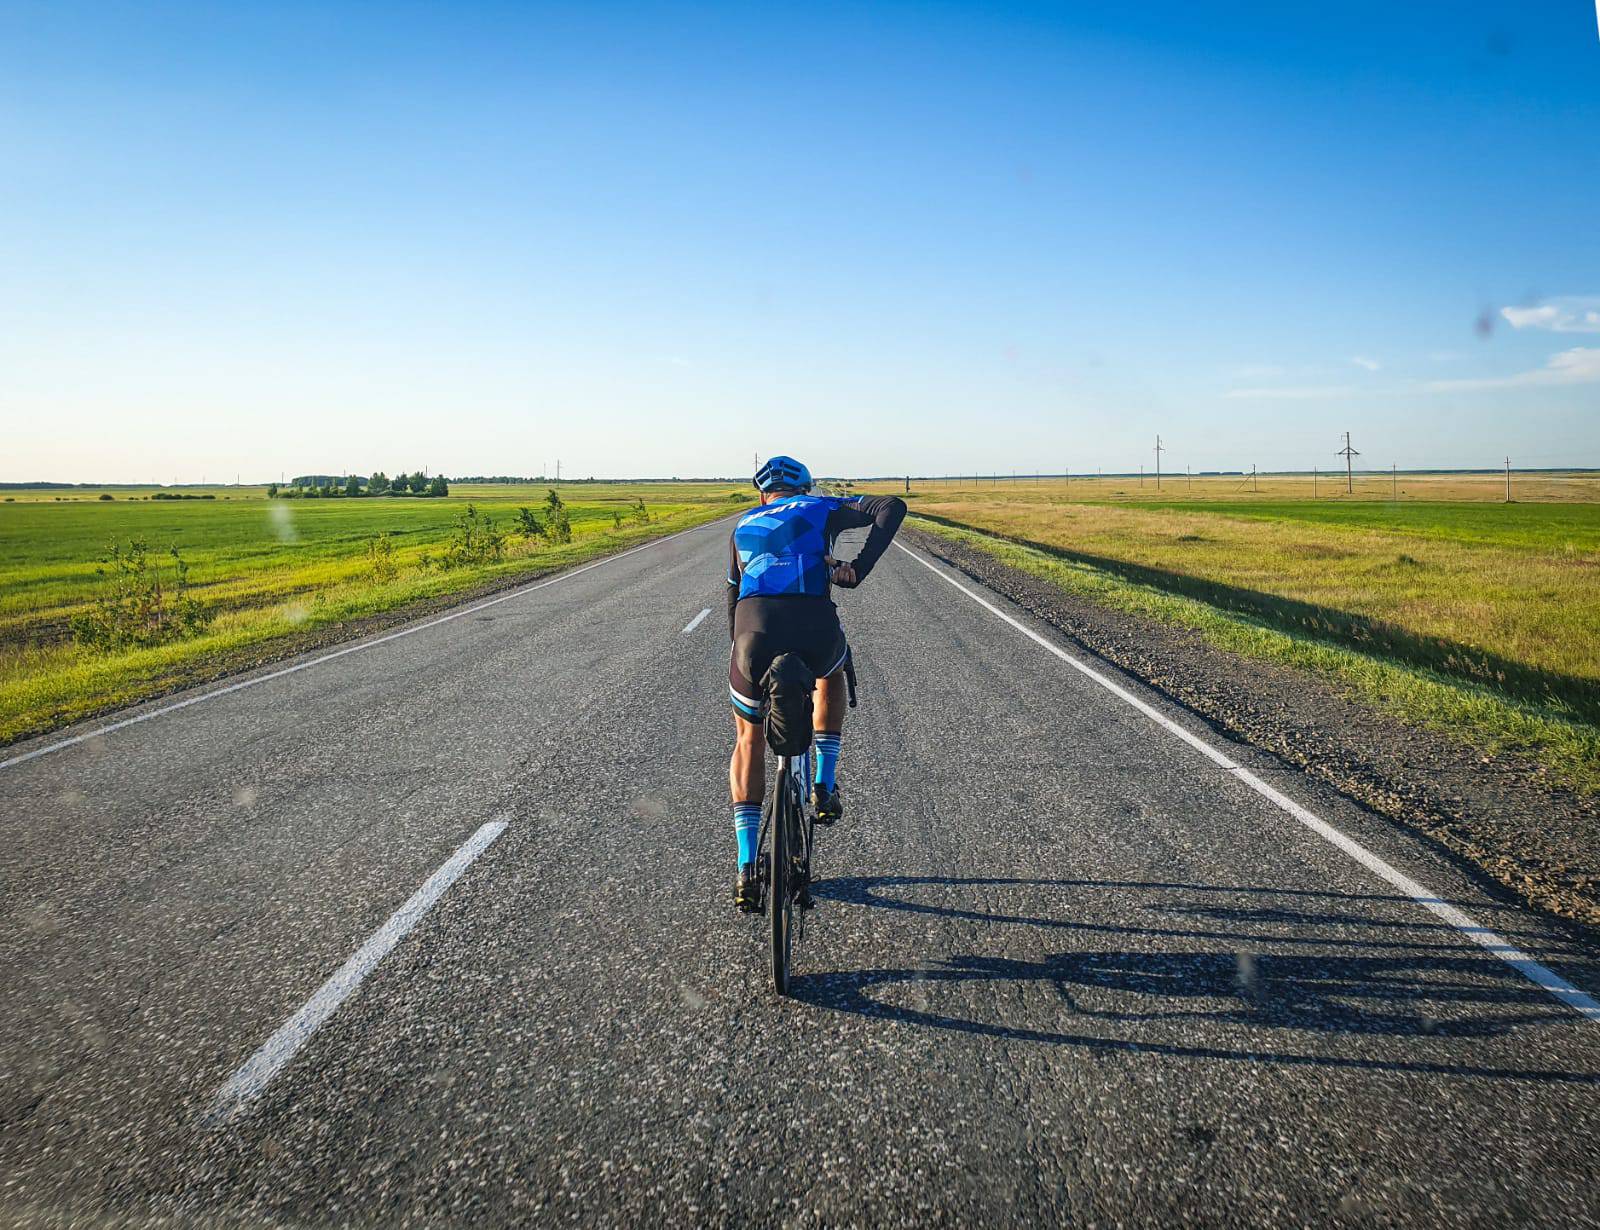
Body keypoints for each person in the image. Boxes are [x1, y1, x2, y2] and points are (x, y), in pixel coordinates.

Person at [726, 455, 906, 912]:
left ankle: (747, 865)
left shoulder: (743, 523)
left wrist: (746, 651)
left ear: (763, 495)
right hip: (813, 627)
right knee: (832, 670)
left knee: (749, 737)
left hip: (754, 631)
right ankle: (823, 782)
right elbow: (891, 506)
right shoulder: (823, 505)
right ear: (805, 487)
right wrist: (855, 569)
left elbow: (733, 594)